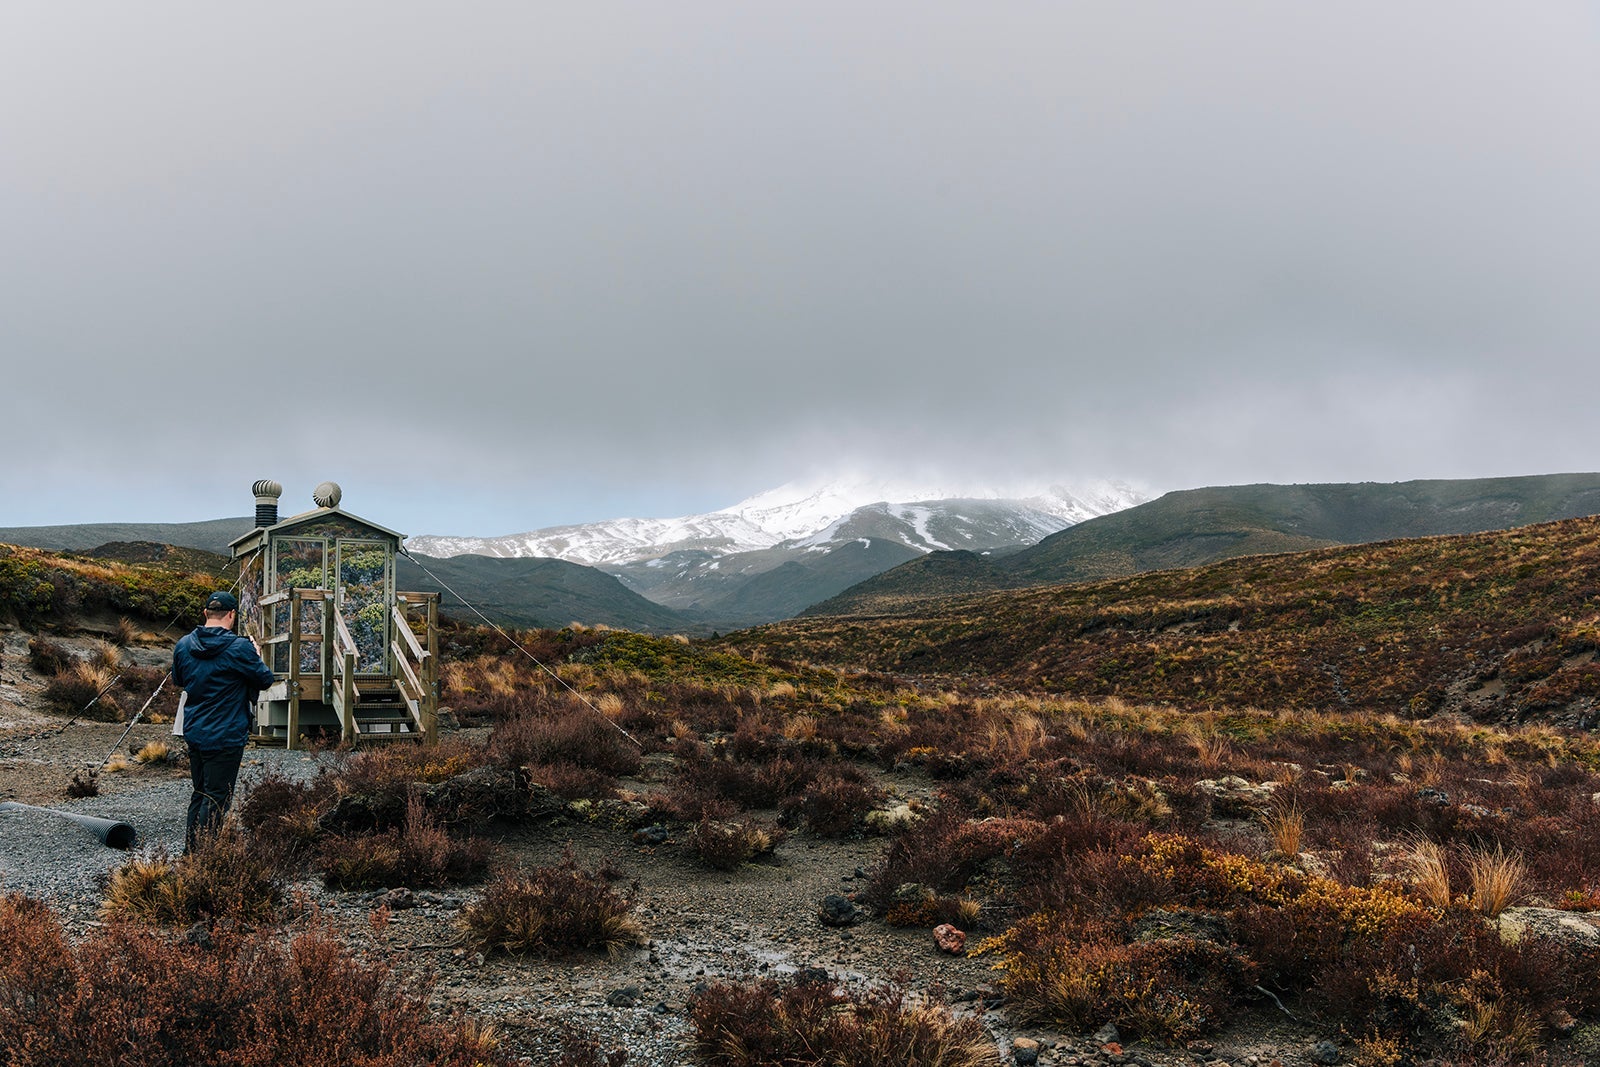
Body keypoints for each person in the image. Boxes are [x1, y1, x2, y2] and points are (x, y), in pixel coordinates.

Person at [171, 591, 274, 851]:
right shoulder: (240, 648)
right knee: (217, 797)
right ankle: (201, 856)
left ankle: (191, 852)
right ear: (232, 615)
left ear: (206, 614)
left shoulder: (183, 644)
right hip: (227, 733)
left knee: (201, 792)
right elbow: (264, 679)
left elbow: (179, 680)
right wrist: (256, 655)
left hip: (194, 729)